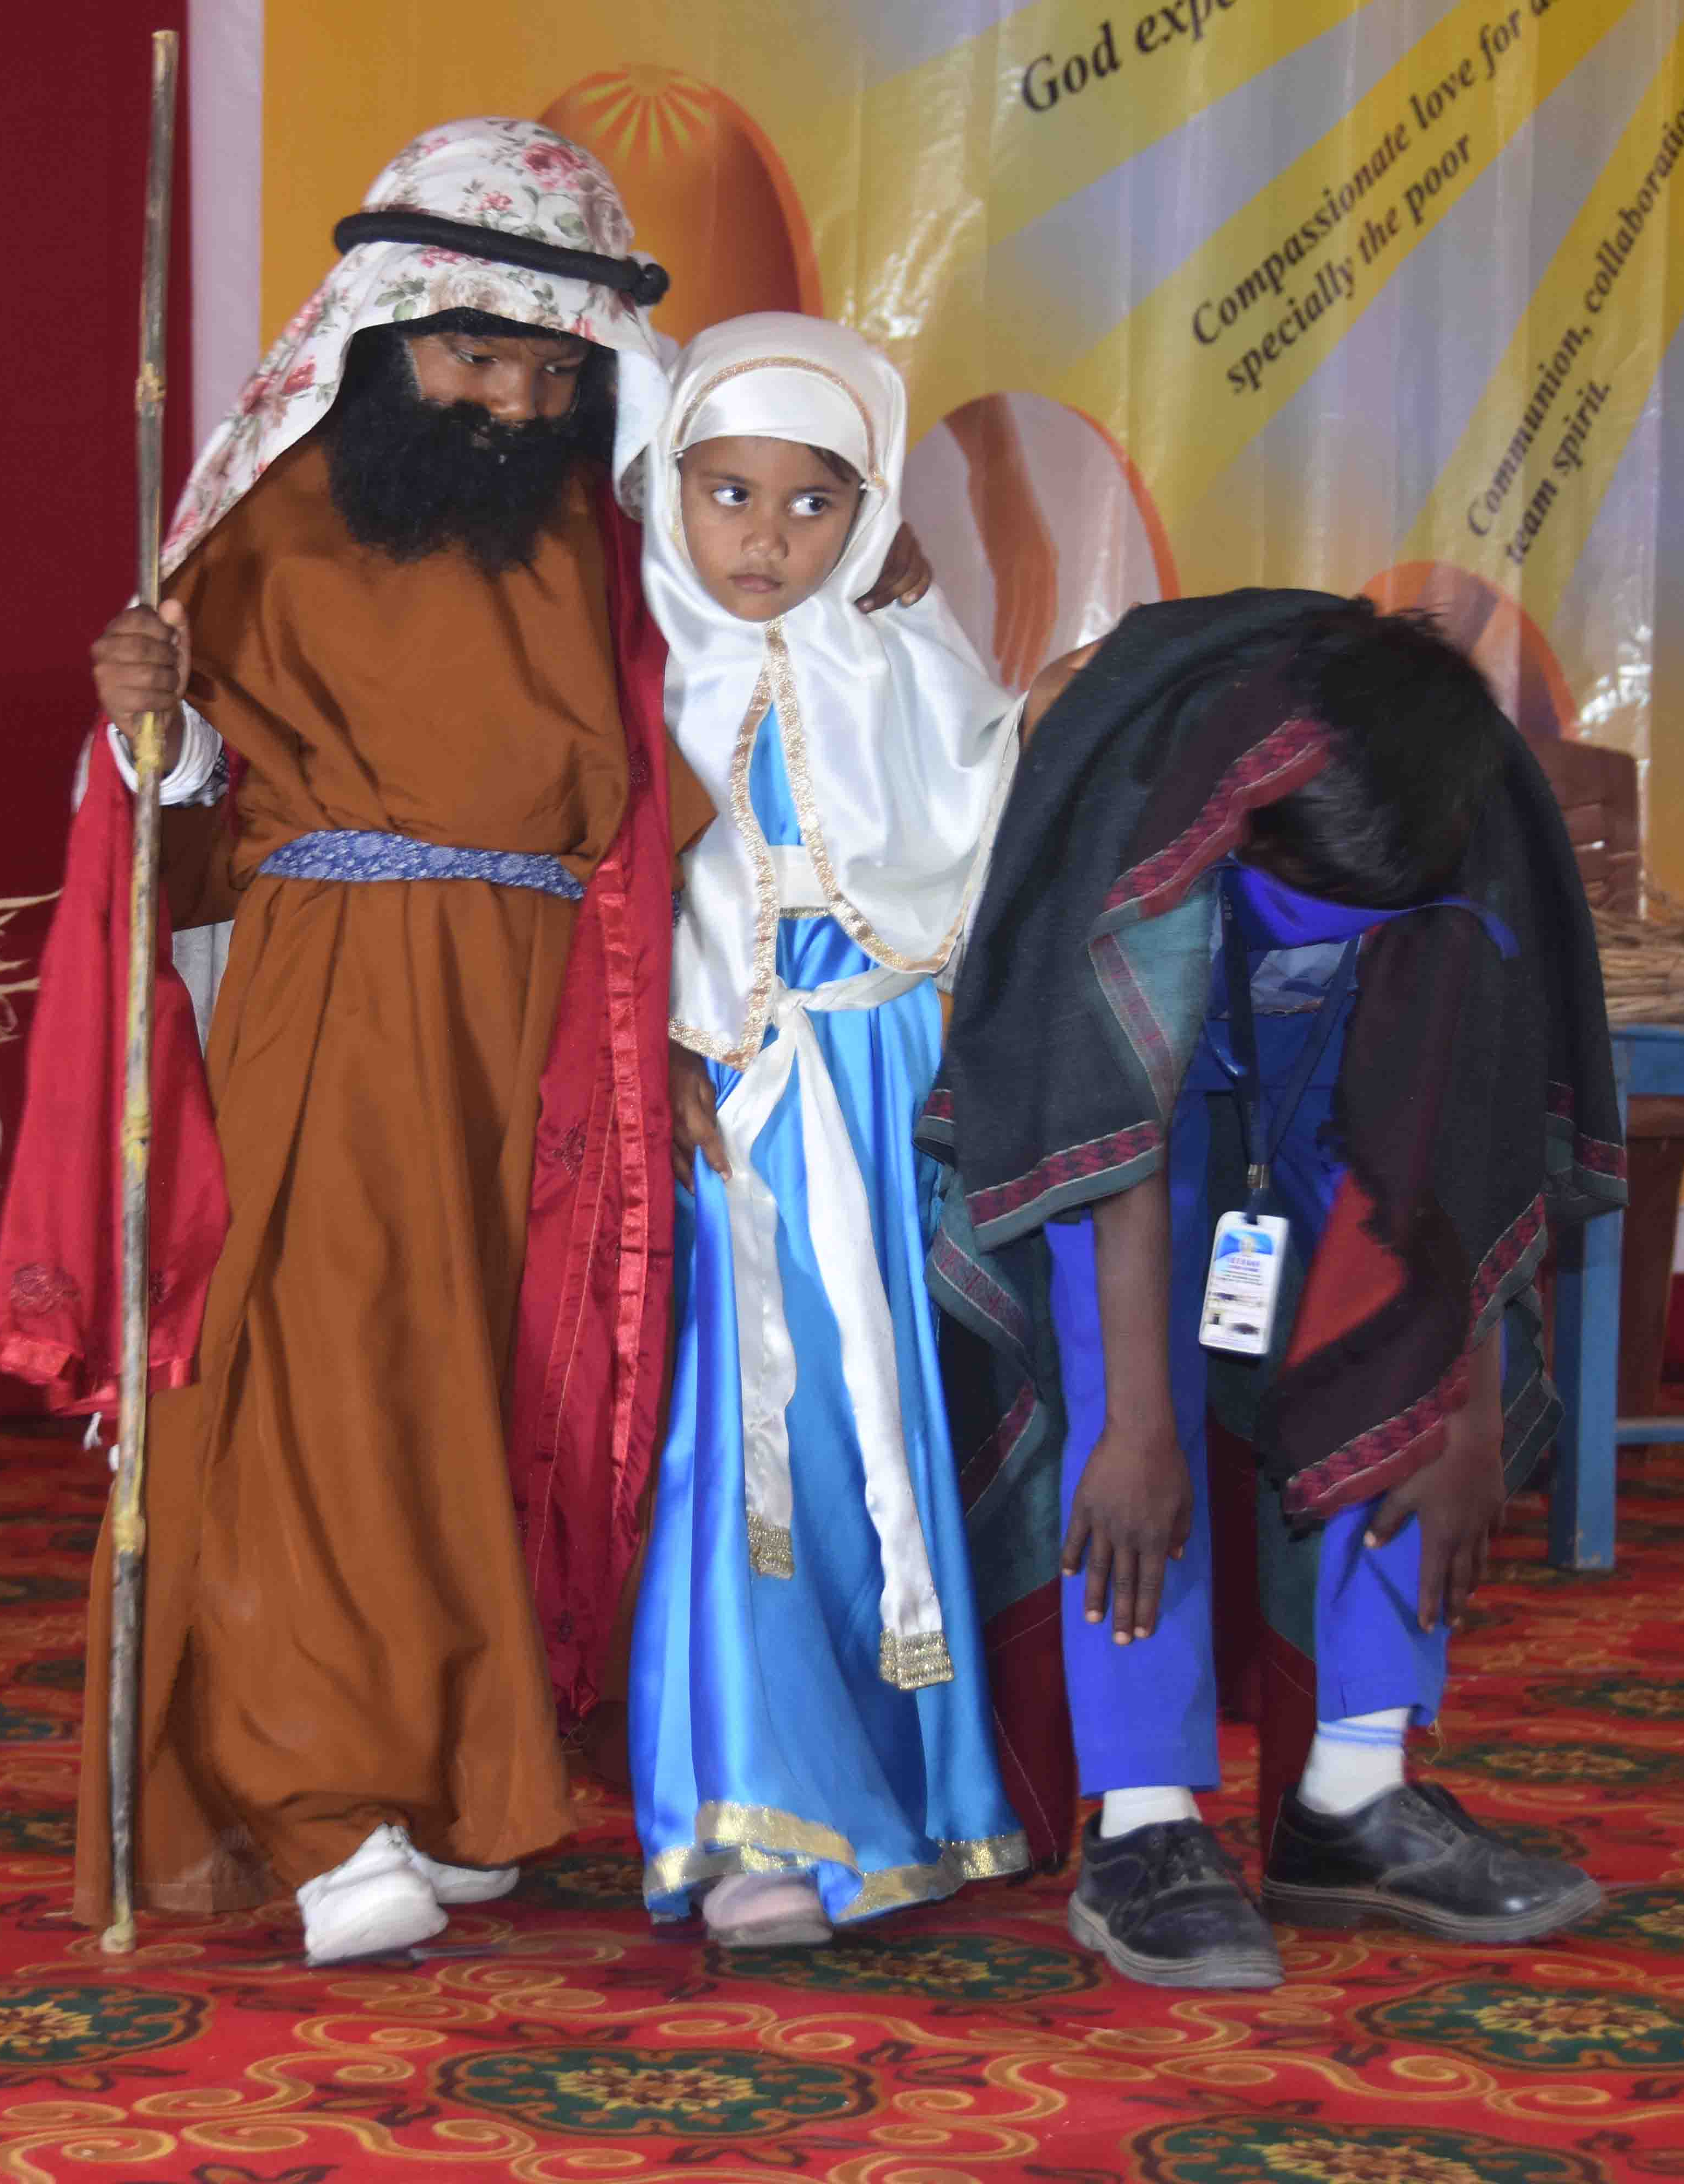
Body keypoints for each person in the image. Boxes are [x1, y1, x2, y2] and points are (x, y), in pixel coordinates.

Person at [0, 120, 926, 1967]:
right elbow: (184, 820)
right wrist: (152, 727)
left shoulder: (609, 535)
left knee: (495, 1398)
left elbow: (736, 710)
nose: (513, 404)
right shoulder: (264, 522)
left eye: (555, 374)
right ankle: (317, 1805)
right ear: (386, 336)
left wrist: (883, 581)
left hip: (562, 1018)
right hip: (338, 994)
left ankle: (455, 1774)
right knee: (318, 1378)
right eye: (476, 359)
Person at [924, 592, 1626, 1989]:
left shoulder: (1467, 815)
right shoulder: (1156, 797)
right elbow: (1113, 1142)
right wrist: (1137, 1429)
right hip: (1144, 1138)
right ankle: (1143, 1823)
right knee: (1128, 1433)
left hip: (1356, 1102)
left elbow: (1467, 1161)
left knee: (1410, 1371)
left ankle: (1353, 1796)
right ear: (1244, 832)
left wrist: (1470, 1406)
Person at [623, 316, 1028, 1946]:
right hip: (732, 1095)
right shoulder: (633, 663)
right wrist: (662, 1050)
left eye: (814, 504)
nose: (766, 540)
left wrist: (922, 620)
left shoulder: (904, 656)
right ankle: (752, 1813)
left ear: (869, 507)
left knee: (889, 1436)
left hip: (885, 1082)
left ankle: (911, 1795)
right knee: (746, 1438)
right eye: (729, 494)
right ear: (668, 486)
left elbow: (982, 823)